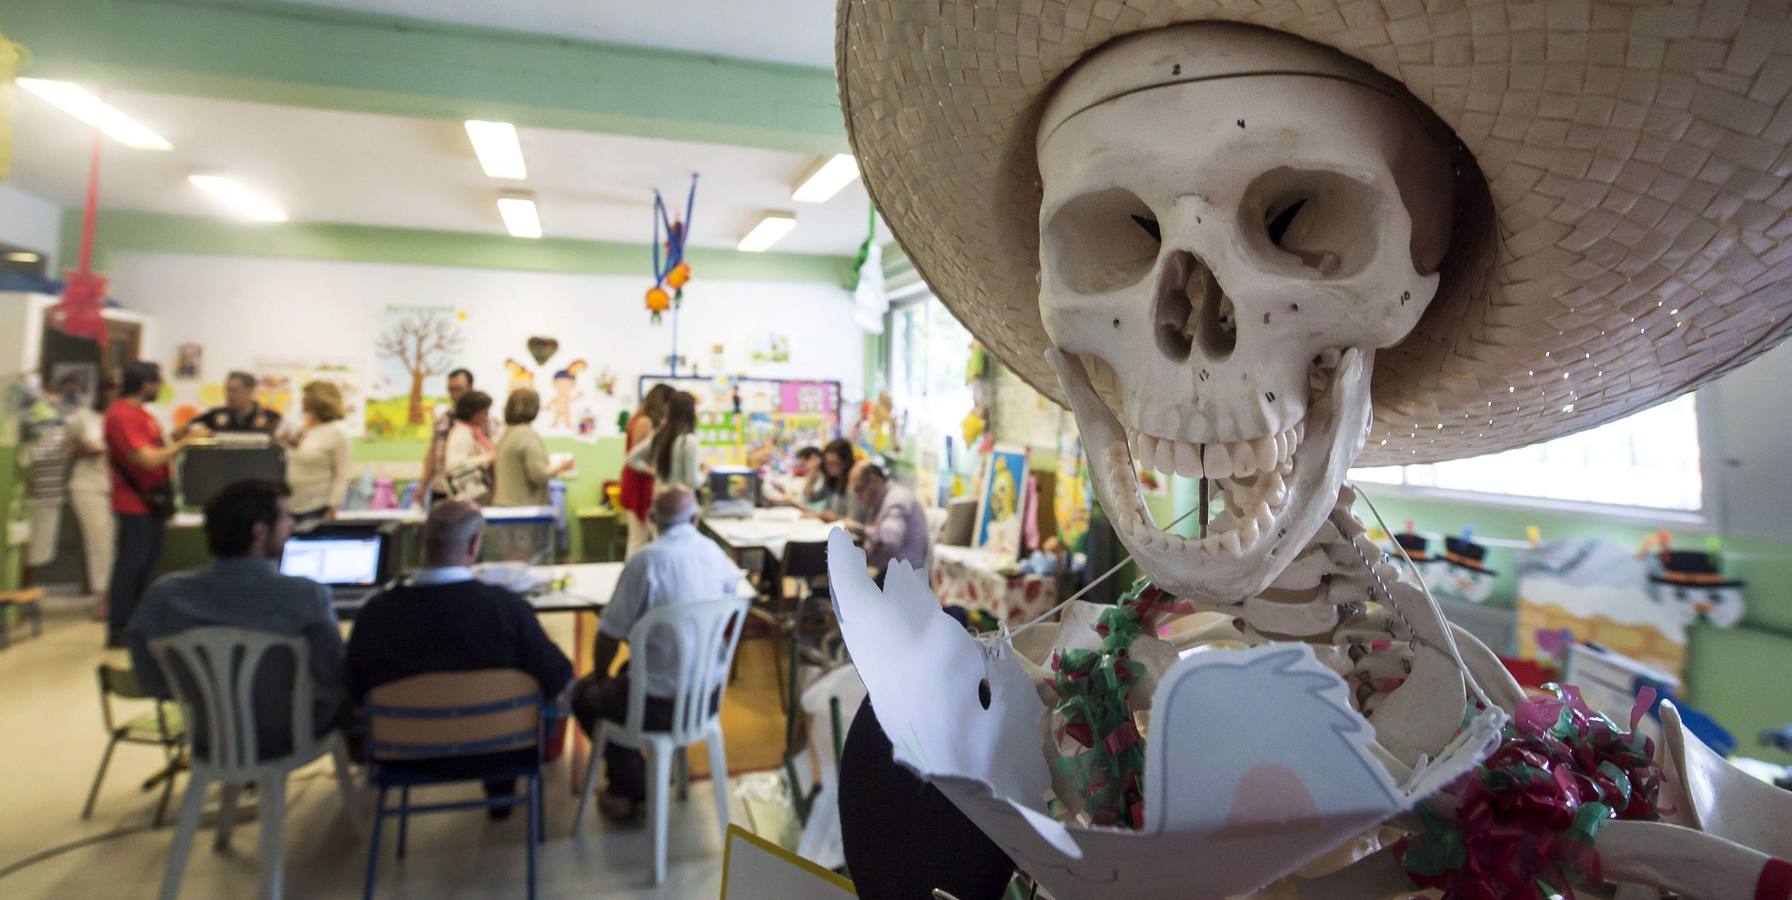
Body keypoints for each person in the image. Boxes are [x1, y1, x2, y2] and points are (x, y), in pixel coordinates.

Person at [345, 500, 573, 818]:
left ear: (424, 542)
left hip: (401, 754)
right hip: (501, 750)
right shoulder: (507, 609)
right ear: (474, 544)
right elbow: (558, 676)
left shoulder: (376, 614)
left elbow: (352, 687)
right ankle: (500, 796)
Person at [125, 480, 345, 759]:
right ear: (259, 531)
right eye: (286, 517)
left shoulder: (163, 596)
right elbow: (334, 675)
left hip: (208, 737)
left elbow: (152, 680)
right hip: (290, 737)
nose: (291, 524)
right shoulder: (306, 595)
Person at [572, 485, 740, 823]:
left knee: (585, 695)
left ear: (651, 519)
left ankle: (629, 784)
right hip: (705, 698)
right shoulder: (718, 557)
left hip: (654, 704)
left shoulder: (645, 561)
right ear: (695, 517)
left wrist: (602, 677)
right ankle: (639, 778)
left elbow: (608, 635)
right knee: (624, 678)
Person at [106, 361, 205, 648]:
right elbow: (145, 458)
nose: (160, 388)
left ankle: (141, 623)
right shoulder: (121, 415)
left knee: (147, 566)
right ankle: (120, 627)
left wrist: (179, 438)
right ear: (145, 383)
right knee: (130, 566)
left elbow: (159, 452)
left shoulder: (143, 415)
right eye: (158, 382)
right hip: (133, 503)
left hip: (153, 503)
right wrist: (184, 443)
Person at [67, 372, 118, 615]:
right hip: (88, 485)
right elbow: (69, 448)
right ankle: (103, 595)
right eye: (111, 387)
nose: (115, 391)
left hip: (120, 488)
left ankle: (119, 593)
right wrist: (86, 449)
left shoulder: (126, 417)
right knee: (100, 542)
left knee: (119, 542)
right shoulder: (83, 417)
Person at [284, 381, 352, 526]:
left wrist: (332, 508)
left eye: (306, 397)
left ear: (318, 400)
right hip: (291, 505)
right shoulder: (304, 428)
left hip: (316, 508)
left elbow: (342, 474)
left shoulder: (337, 431)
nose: (302, 401)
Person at [846, 461, 929, 578]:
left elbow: (890, 540)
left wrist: (861, 530)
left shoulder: (895, 499)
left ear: (874, 480)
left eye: (859, 489)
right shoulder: (884, 498)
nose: (858, 496)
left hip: (903, 579)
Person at [619, 384, 674, 557]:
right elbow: (635, 458)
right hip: (638, 483)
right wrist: (656, 471)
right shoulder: (644, 422)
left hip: (642, 480)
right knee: (638, 538)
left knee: (643, 536)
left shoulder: (645, 420)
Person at [492, 388, 573, 507]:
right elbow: (538, 475)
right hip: (524, 509)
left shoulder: (505, 434)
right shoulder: (526, 435)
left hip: (504, 504)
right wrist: (561, 467)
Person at [417, 368, 482, 507]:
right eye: (450, 389)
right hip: (441, 489)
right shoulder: (442, 420)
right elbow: (432, 453)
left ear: (471, 388)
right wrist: (422, 485)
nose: (454, 394)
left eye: (459, 389)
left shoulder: (484, 420)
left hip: (470, 491)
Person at [625, 390, 699, 493]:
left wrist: (654, 471)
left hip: (660, 498)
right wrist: (704, 472)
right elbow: (692, 481)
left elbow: (632, 457)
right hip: (681, 502)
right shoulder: (689, 440)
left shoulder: (660, 435)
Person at [174, 371, 280, 439]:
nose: (229, 395)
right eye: (227, 390)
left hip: (258, 471)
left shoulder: (271, 416)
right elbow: (176, 435)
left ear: (250, 390)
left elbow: (286, 442)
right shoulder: (215, 414)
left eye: (234, 391)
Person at [442, 390, 496, 504]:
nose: (487, 416)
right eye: (484, 412)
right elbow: (453, 464)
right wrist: (487, 458)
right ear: (473, 412)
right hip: (470, 498)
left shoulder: (473, 431)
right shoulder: (462, 432)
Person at [800, 438, 858, 522]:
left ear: (845, 462)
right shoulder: (832, 480)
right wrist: (812, 474)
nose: (828, 467)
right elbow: (810, 498)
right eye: (826, 463)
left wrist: (835, 518)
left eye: (834, 463)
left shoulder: (853, 486)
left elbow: (855, 520)